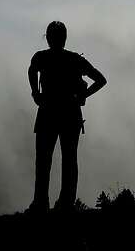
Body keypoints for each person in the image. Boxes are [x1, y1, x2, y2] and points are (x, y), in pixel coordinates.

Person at [28, 21, 107, 214]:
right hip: (70, 113)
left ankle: (41, 204)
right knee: (69, 160)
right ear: (65, 37)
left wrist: (35, 93)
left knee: (44, 160)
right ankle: (65, 204)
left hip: (47, 112)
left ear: (48, 37)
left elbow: (31, 71)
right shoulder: (74, 60)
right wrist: (83, 95)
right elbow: (100, 80)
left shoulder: (41, 57)